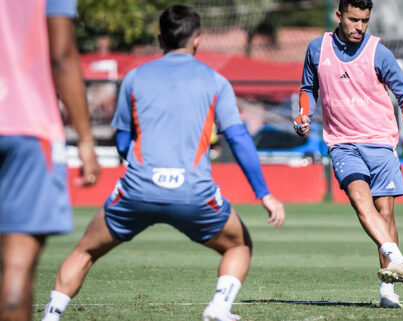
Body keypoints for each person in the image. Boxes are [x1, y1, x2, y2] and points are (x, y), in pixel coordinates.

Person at [41, 5, 285, 321]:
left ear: (160, 39)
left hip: (138, 189)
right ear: (197, 40)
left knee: (85, 250)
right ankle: (219, 307)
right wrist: (263, 193)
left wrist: (143, 170)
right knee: (239, 245)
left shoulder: (134, 77)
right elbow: (238, 139)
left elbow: (123, 142)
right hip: (194, 193)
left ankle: (51, 314)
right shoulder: (215, 81)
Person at [294, 0, 403, 309]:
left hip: (380, 142)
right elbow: (307, 88)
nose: (359, 27)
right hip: (342, 143)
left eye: (365, 20)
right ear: (339, 16)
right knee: (358, 197)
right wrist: (303, 115)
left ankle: (388, 292)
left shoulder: (379, 52)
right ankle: (397, 258)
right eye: (353, 20)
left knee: (387, 214)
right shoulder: (317, 49)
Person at [0, 0, 101, 320]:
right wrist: (85, 139)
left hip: (26, 131)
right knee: (16, 266)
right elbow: (61, 55)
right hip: (27, 128)